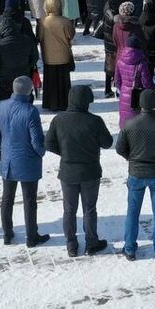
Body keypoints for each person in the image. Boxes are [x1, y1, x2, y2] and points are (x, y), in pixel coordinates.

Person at [45, 85, 113, 257]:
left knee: (69, 210)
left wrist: (65, 152)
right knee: (89, 209)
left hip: (68, 172)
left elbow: (49, 144)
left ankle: (71, 244)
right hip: (90, 172)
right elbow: (107, 143)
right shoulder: (95, 121)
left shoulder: (59, 120)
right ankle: (91, 243)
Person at [116, 88, 155, 261]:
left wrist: (132, 158)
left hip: (136, 173)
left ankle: (129, 248)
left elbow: (119, 148)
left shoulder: (129, 124)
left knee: (132, 211)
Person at [0, 76, 49, 247]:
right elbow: (37, 141)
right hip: (27, 161)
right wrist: (41, 152)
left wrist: (2, 140)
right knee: (29, 200)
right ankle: (31, 236)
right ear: (29, 91)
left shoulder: (0, 106)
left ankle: (7, 234)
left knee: (7, 198)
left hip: (8, 161)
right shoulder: (30, 111)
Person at [39, 0, 75, 112]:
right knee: (63, 81)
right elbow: (71, 35)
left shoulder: (42, 22)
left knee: (50, 81)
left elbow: (39, 37)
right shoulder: (65, 21)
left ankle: (50, 103)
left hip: (48, 57)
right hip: (63, 56)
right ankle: (64, 103)